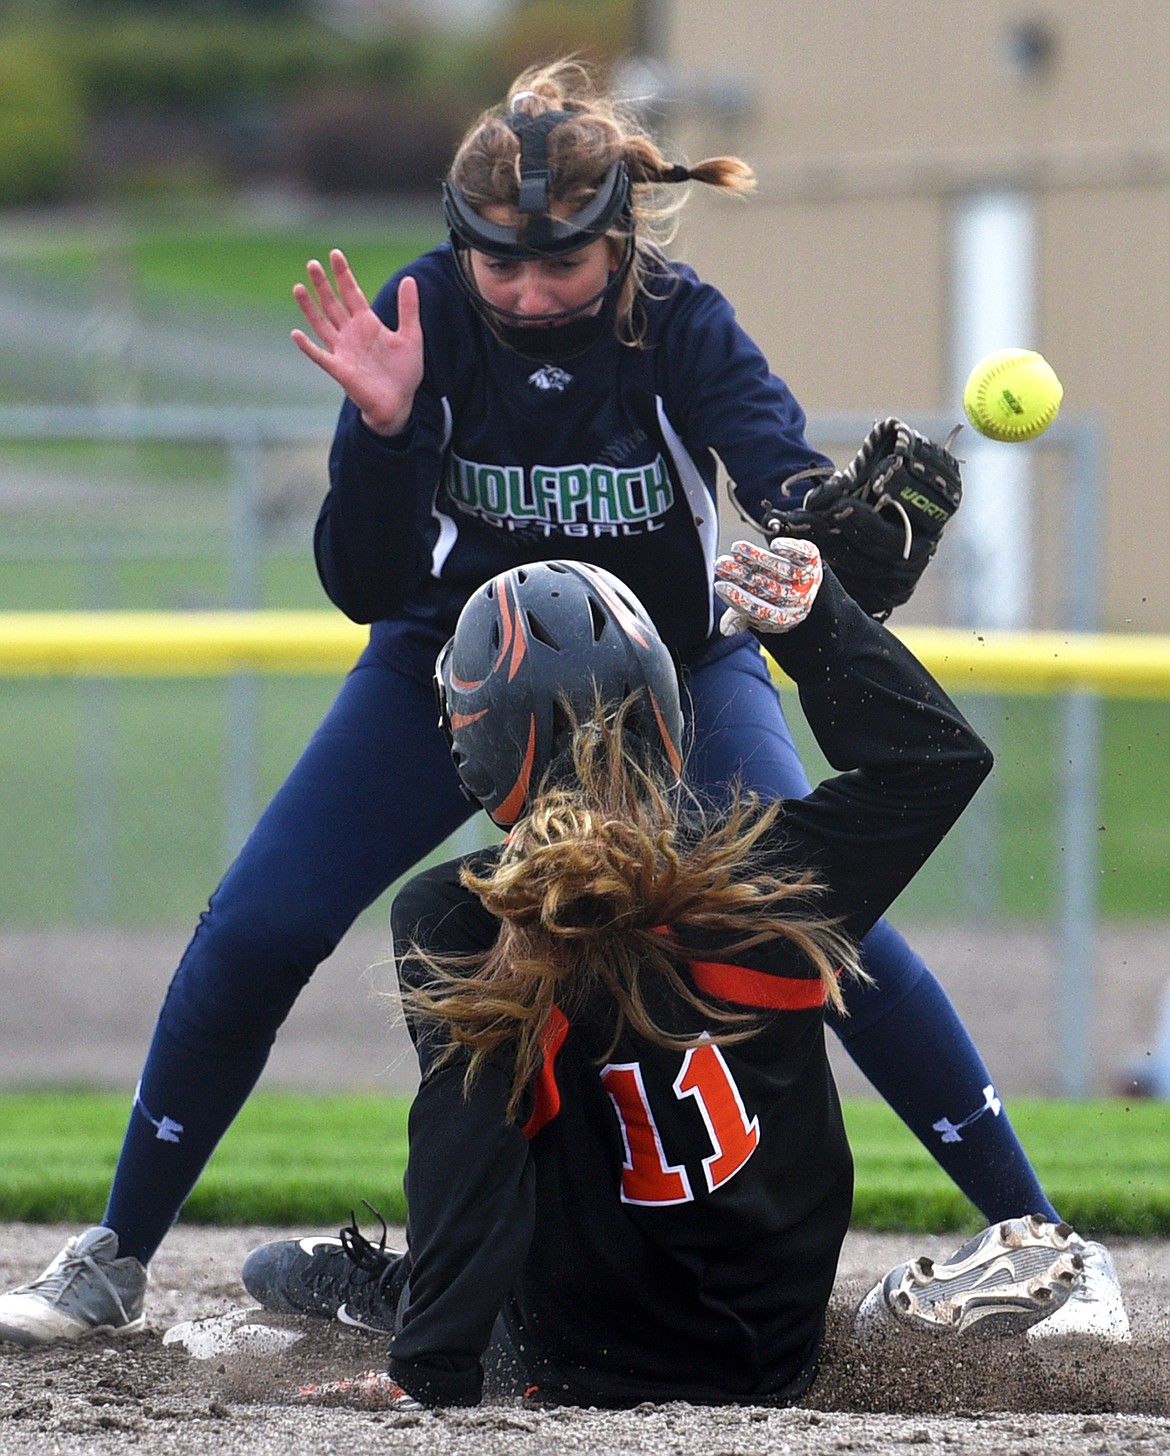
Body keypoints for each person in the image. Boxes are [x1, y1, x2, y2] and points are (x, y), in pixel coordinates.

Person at [0, 58, 1125, 1349]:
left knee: (808, 917)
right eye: (499, 266)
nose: (529, 295)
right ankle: (108, 1263)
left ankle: (1042, 1247)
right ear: (457, 242)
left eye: (561, 267)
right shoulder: (422, 309)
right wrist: (381, 428)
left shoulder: (677, 319)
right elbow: (366, 586)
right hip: (456, 674)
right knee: (258, 927)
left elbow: (784, 484)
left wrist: (826, 534)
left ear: (619, 237)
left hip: (674, 671)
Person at [243, 550, 1082, 1411]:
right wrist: (820, 624)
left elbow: (469, 1151)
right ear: (665, 710)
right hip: (779, 1345)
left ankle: (408, 1298)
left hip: (578, 1356)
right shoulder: (771, 868)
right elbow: (940, 760)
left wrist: (429, 1372)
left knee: (270, 1268)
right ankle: (434, 1299)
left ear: (485, 744)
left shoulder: (454, 913)